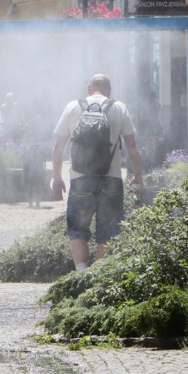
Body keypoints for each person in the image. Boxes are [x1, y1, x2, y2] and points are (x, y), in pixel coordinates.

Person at [51, 74, 143, 271]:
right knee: (108, 232)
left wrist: (57, 177)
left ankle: (81, 274)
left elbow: (58, 146)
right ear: (109, 90)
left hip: (80, 179)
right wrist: (138, 176)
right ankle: (97, 278)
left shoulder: (72, 107)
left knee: (77, 229)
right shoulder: (119, 108)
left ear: (88, 89)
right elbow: (132, 146)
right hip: (111, 179)